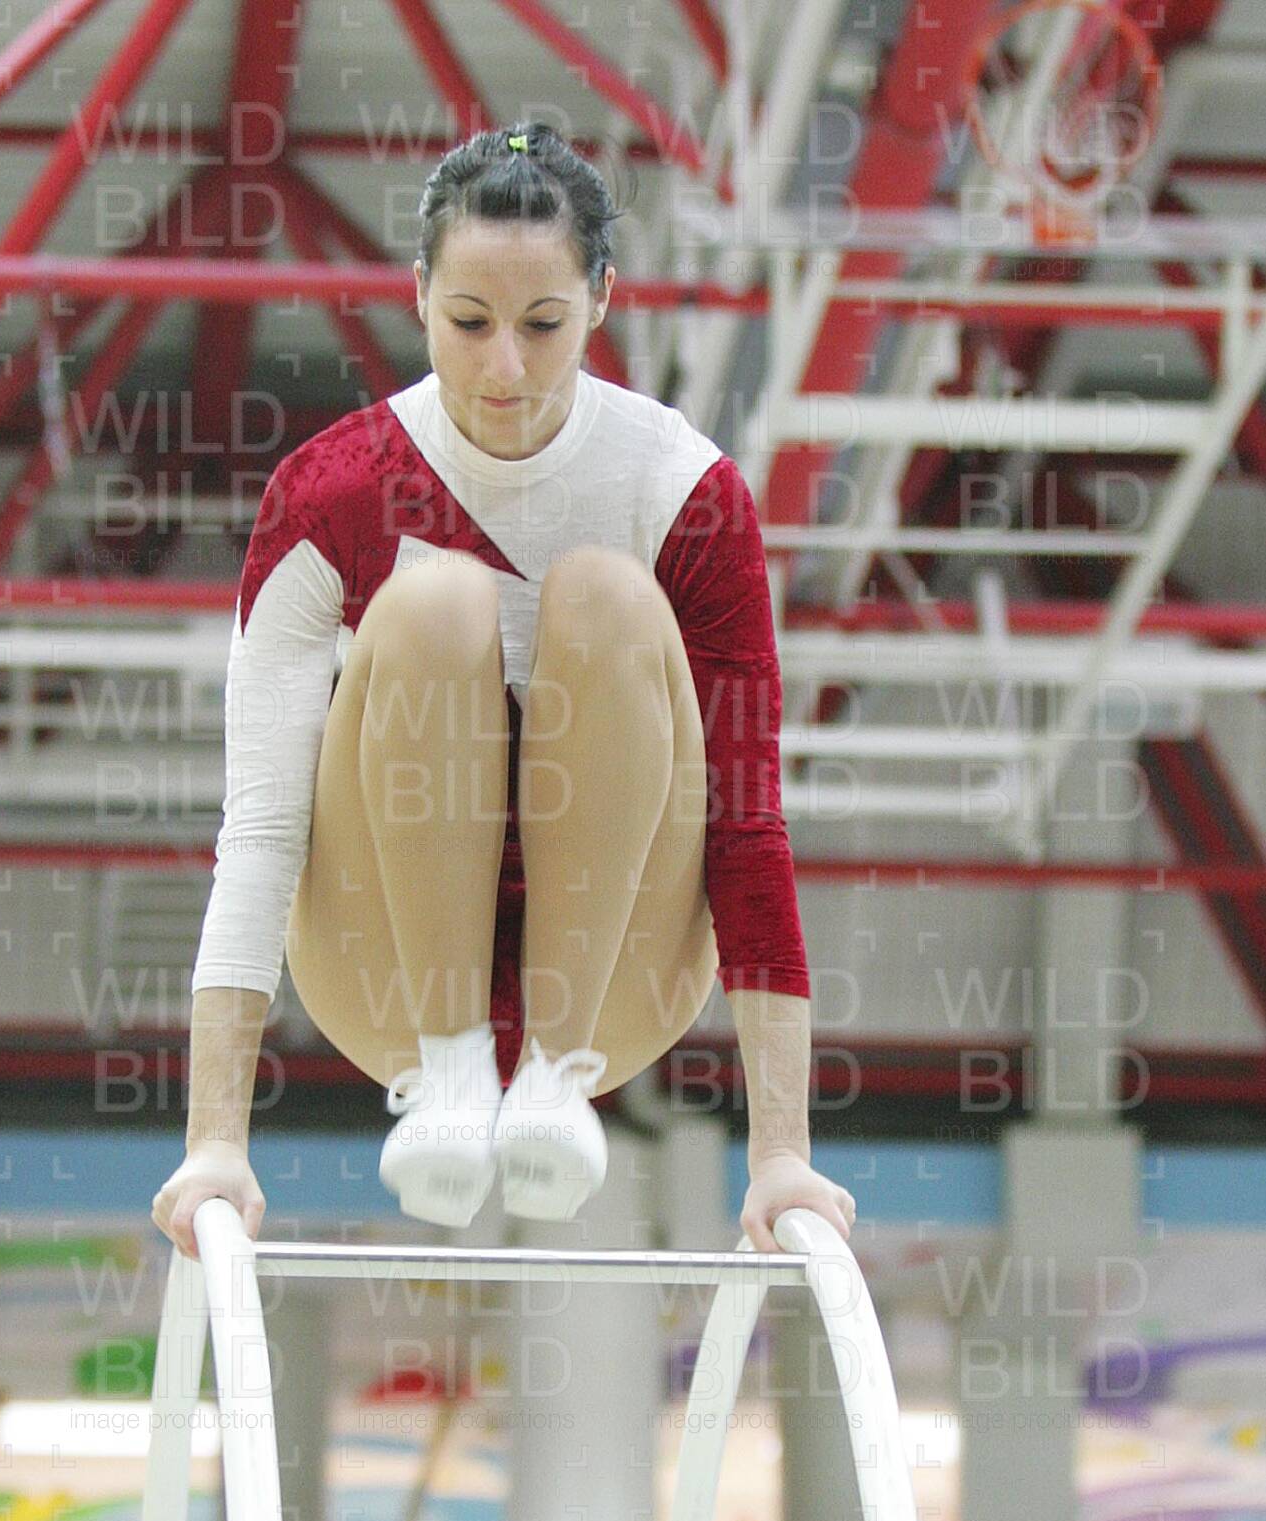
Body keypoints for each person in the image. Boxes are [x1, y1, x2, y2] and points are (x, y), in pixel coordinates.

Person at [153, 122, 857, 1252]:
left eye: (542, 326)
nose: (504, 370)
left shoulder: (684, 491)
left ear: (601, 300)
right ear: (418, 295)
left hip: (616, 987)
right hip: (383, 975)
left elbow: (745, 824)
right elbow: (264, 822)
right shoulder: (327, 492)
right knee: (435, 602)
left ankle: (549, 1074)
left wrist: (781, 1154)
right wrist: (213, 1142)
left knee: (607, 594)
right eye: (469, 323)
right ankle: (448, 1071)